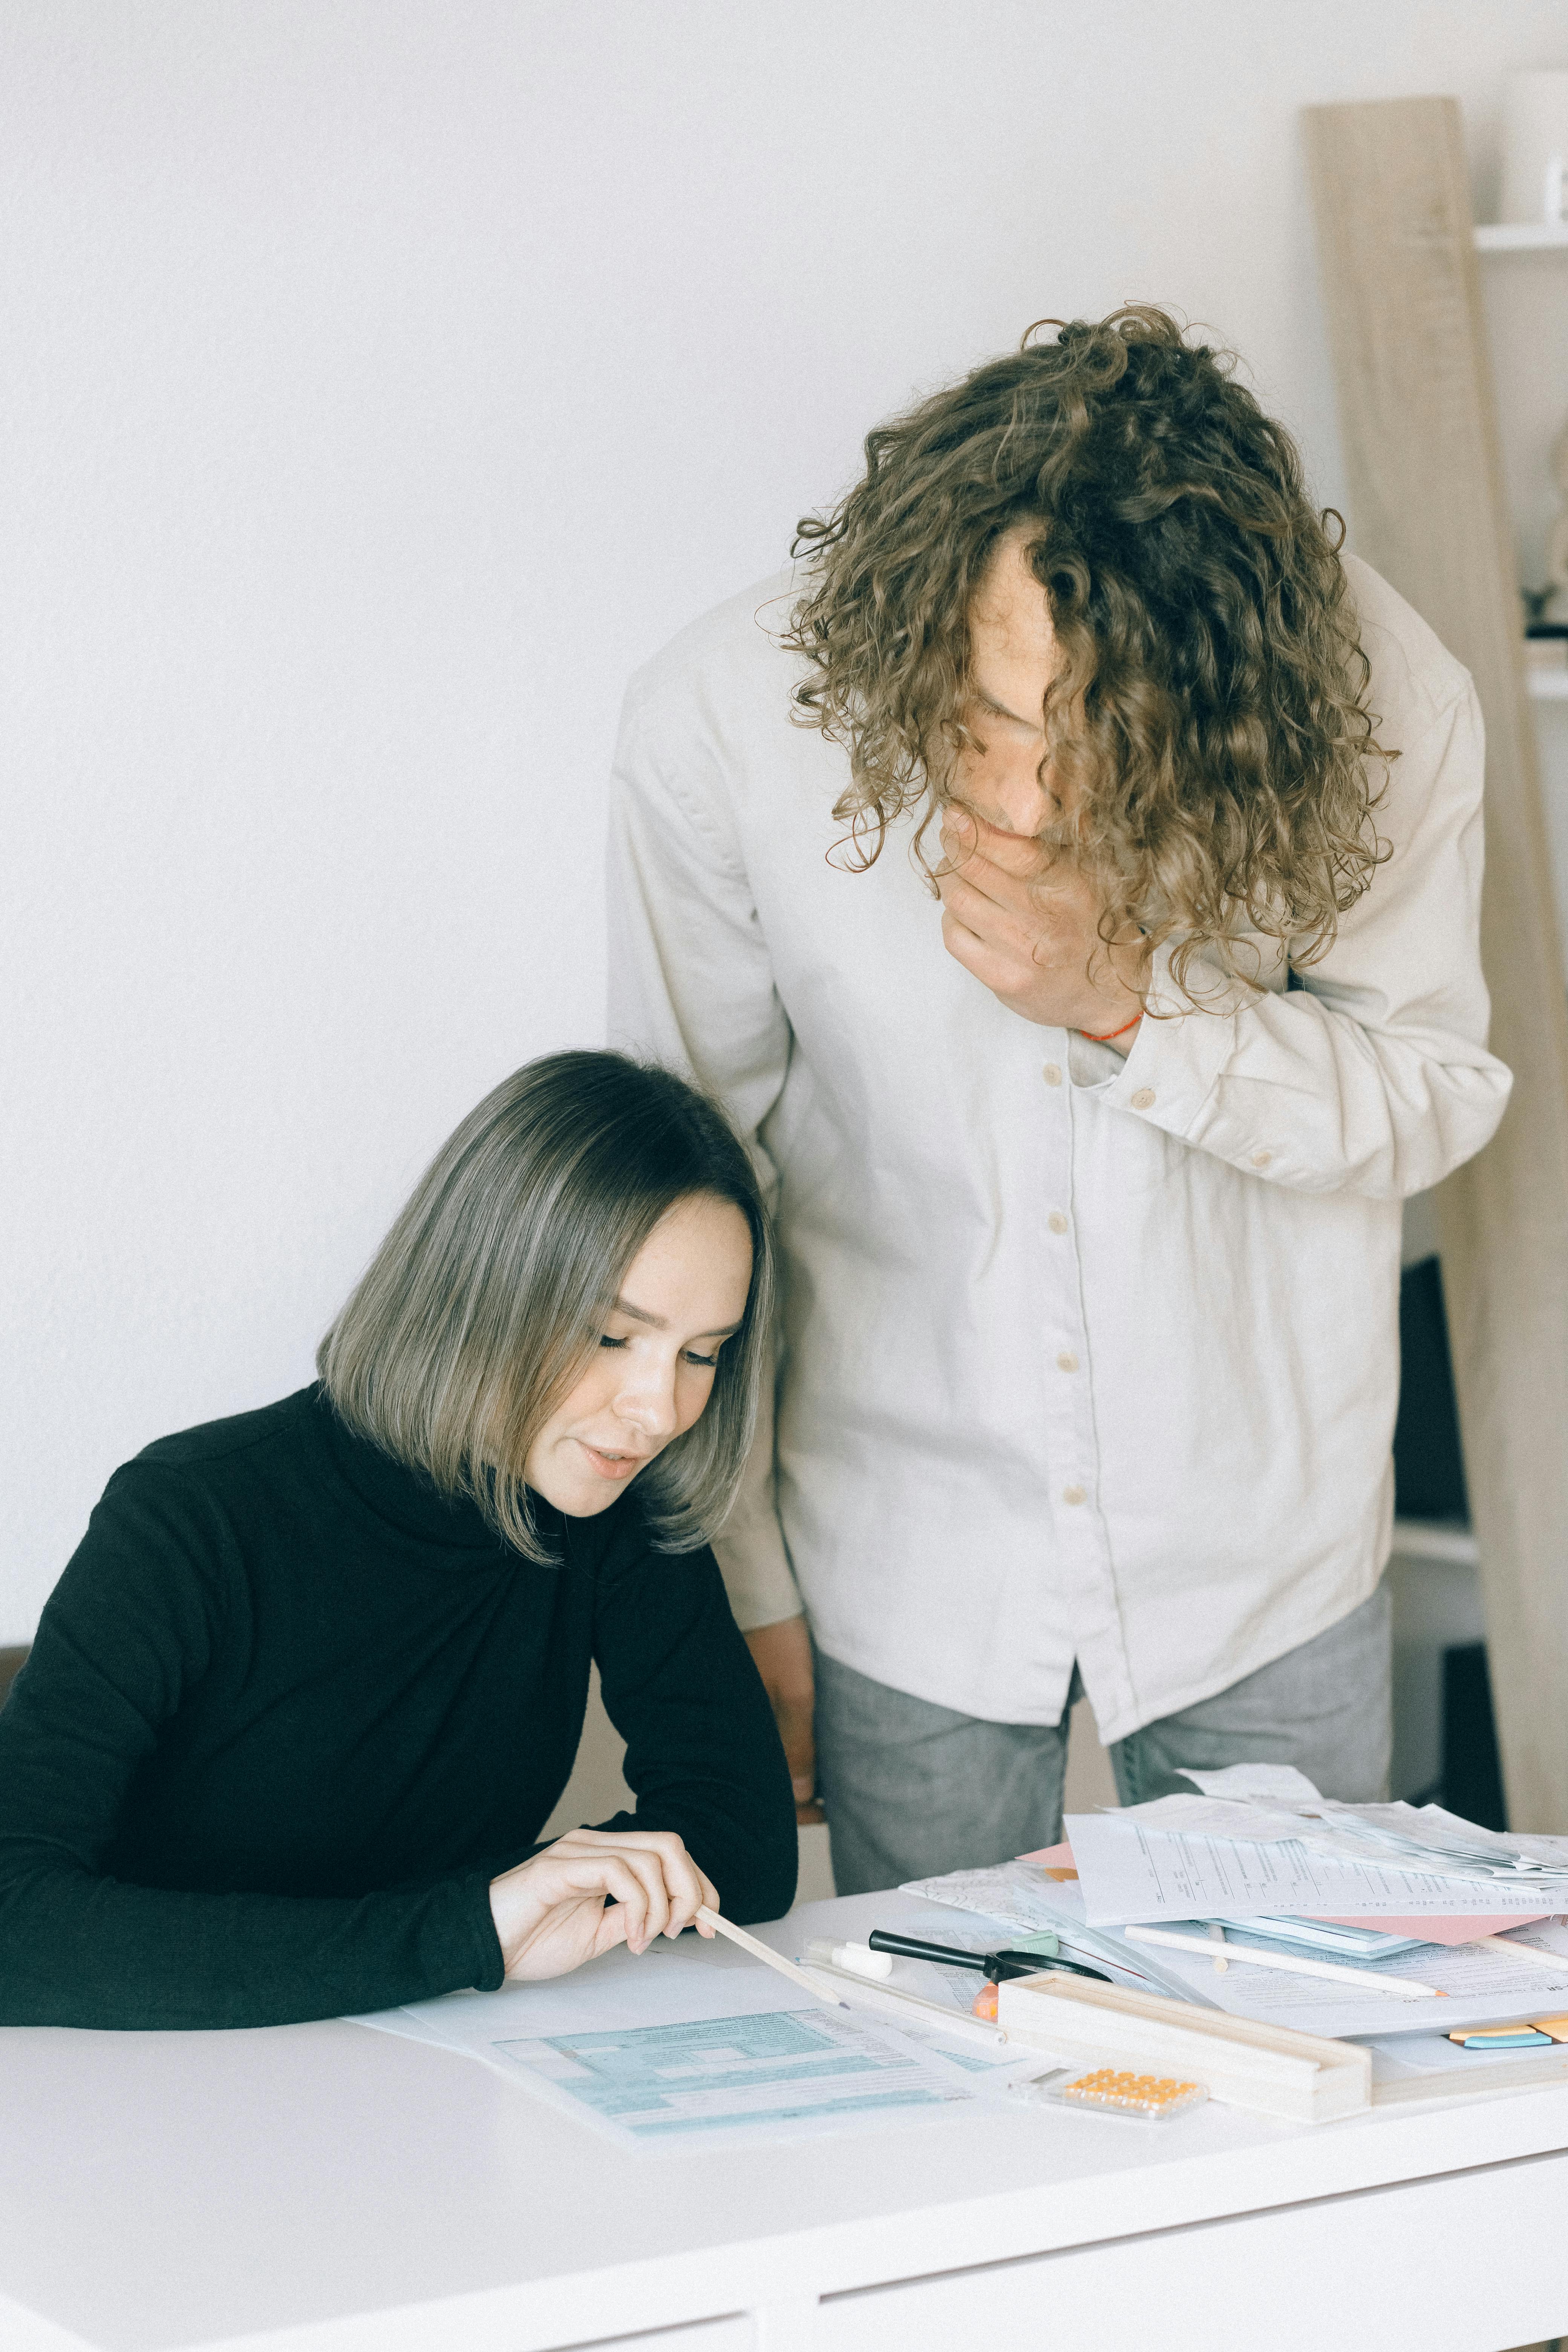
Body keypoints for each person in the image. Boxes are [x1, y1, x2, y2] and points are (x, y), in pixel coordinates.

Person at [607, 306, 1512, 1897]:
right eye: (983, 722)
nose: (1023, 797)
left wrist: (1130, 1003)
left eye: (1097, 741)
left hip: (1264, 1548)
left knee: (1287, 2056)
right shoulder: (724, 720)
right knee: (937, 2089)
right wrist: (736, 1582)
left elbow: (1428, 1094)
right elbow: (688, 1184)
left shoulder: (1378, 696)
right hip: (897, 1552)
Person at [0, 1052, 797, 2028]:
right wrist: (475, 1929)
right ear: (483, 1284)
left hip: (424, 2073)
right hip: (158, 2080)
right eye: (610, 1336)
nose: (658, 1408)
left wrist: (507, 1918)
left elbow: (742, 1848)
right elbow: (14, 1921)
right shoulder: (192, 1513)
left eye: (702, 1354)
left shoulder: (610, 1504)